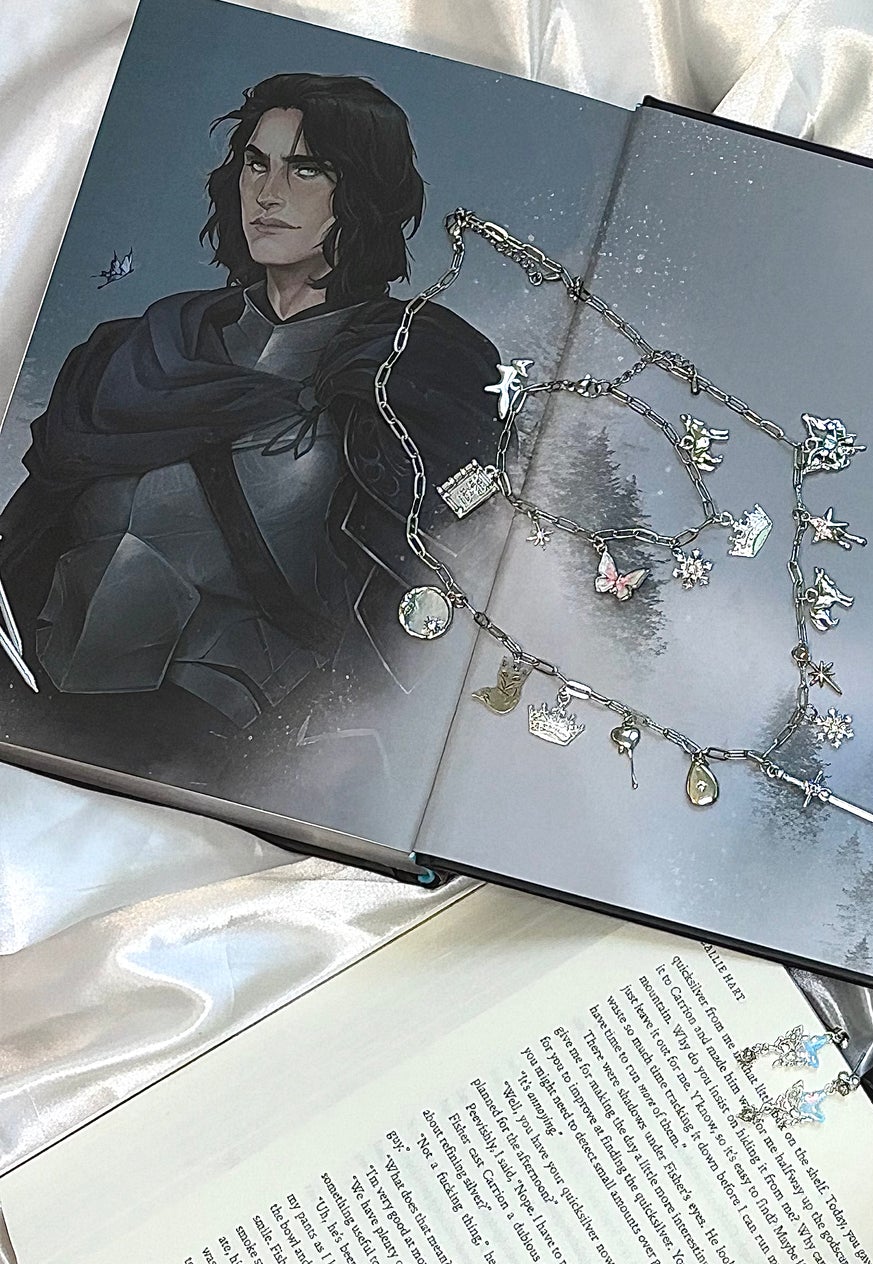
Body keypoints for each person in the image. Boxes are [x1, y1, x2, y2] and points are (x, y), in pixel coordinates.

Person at [0, 72, 500, 778]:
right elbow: (28, 533)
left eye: (307, 169)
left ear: (363, 189)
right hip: (25, 687)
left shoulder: (418, 365)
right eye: (255, 163)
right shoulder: (137, 348)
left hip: (236, 744)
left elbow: (453, 577)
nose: (268, 193)